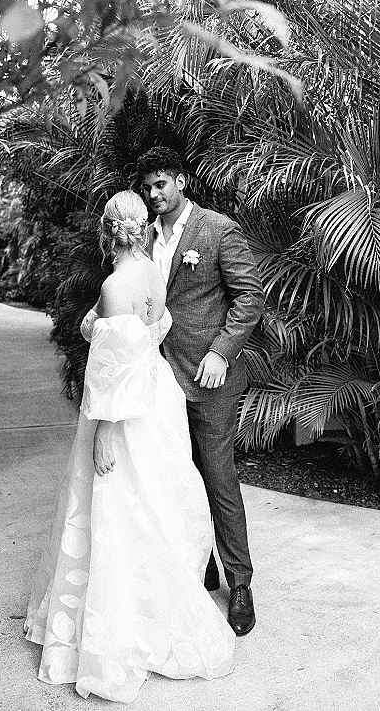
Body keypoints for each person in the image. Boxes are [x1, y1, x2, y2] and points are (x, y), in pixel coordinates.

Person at [24, 190, 235, 704]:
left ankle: (121, 632)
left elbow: (112, 369)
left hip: (123, 411)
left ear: (106, 230)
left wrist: (102, 433)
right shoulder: (152, 274)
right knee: (153, 506)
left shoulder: (115, 285)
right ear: (140, 229)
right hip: (157, 398)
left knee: (118, 510)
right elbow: (151, 335)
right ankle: (151, 613)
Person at [137, 147, 265, 637]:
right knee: (175, 474)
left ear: (182, 181)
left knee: (217, 476)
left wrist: (222, 352)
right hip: (160, 377)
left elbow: (250, 296)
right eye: (148, 187)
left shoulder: (217, 229)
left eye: (162, 183)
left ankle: (240, 583)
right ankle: (200, 562)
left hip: (211, 378)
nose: (154, 194)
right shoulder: (145, 236)